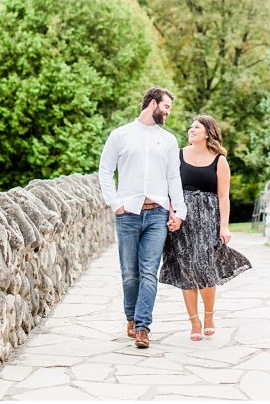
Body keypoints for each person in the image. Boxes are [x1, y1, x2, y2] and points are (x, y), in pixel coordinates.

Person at [98, 86, 186, 349]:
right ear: (152, 104)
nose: (168, 112)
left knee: (149, 272)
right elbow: (105, 170)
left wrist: (179, 211)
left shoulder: (168, 140)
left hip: (157, 214)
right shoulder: (120, 135)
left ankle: (142, 327)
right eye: (166, 106)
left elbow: (173, 177)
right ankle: (131, 317)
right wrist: (115, 204)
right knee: (129, 273)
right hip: (128, 214)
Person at [158, 114, 251, 341]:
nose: (191, 130)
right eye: (191, 127)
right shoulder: (177, 155)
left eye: (196, 127)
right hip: (183, 219)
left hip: (209, 220)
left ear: (208, 132)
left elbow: (223, 197)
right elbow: (168, 189)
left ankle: (209, 315)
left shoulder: (220, 160)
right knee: (186, 271)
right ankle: (194, 322)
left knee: (206, 268)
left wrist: (225, 227)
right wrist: (172, 215)